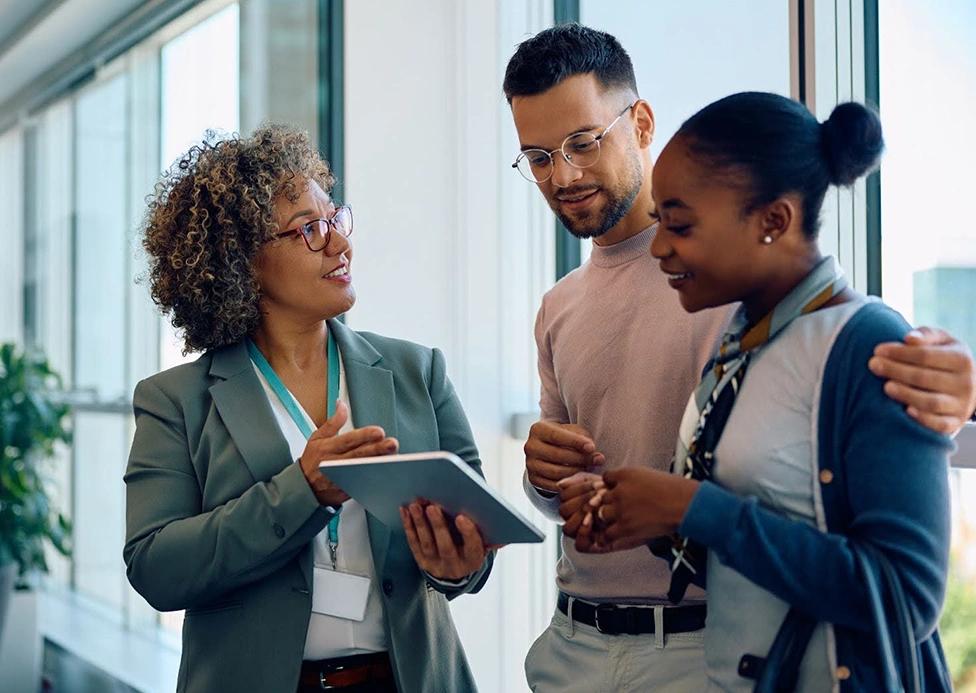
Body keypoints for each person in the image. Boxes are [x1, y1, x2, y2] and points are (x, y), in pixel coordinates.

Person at [503, 23, 976, 692]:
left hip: (709, 651)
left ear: (639, 122)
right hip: (588, 645)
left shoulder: (788, 316)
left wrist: (961, 391)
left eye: (583, 142)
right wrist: (559, 485)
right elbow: (707, 499)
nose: (564, 174)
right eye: (539, 156)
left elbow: (897, 581)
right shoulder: (692, 324)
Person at [123, 125, 492, 693]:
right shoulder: (175, 401)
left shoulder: (418, 372)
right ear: (241, 261)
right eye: (309, 230)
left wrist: (459, 566)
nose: (340, 245)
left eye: (335, 220)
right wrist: (302, 490)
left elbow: (475, 540)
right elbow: (156, 569)